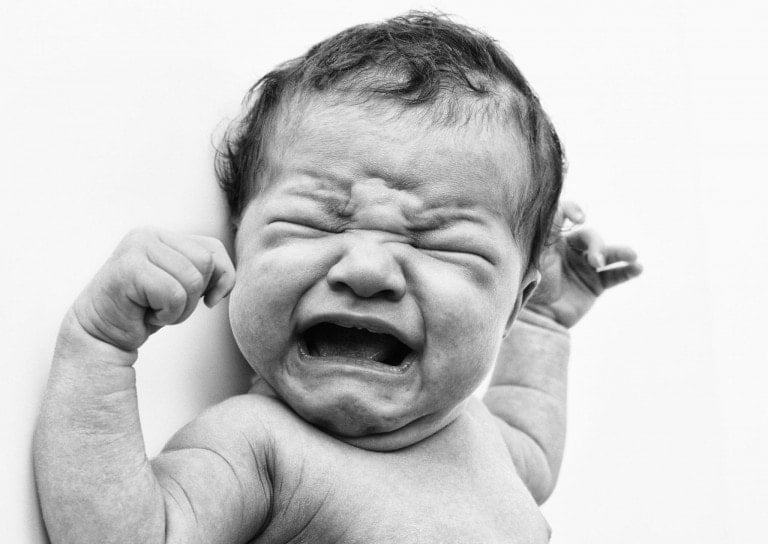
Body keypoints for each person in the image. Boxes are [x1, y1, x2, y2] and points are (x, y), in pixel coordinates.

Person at [33, 12, 641, 543]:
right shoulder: (259, 448)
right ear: (238, 245)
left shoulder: (479, 435)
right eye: (316, 224)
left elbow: (533, 450)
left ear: (512, 303)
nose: (368, 269)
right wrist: (100, 346)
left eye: (439, 243)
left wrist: (547, 325)